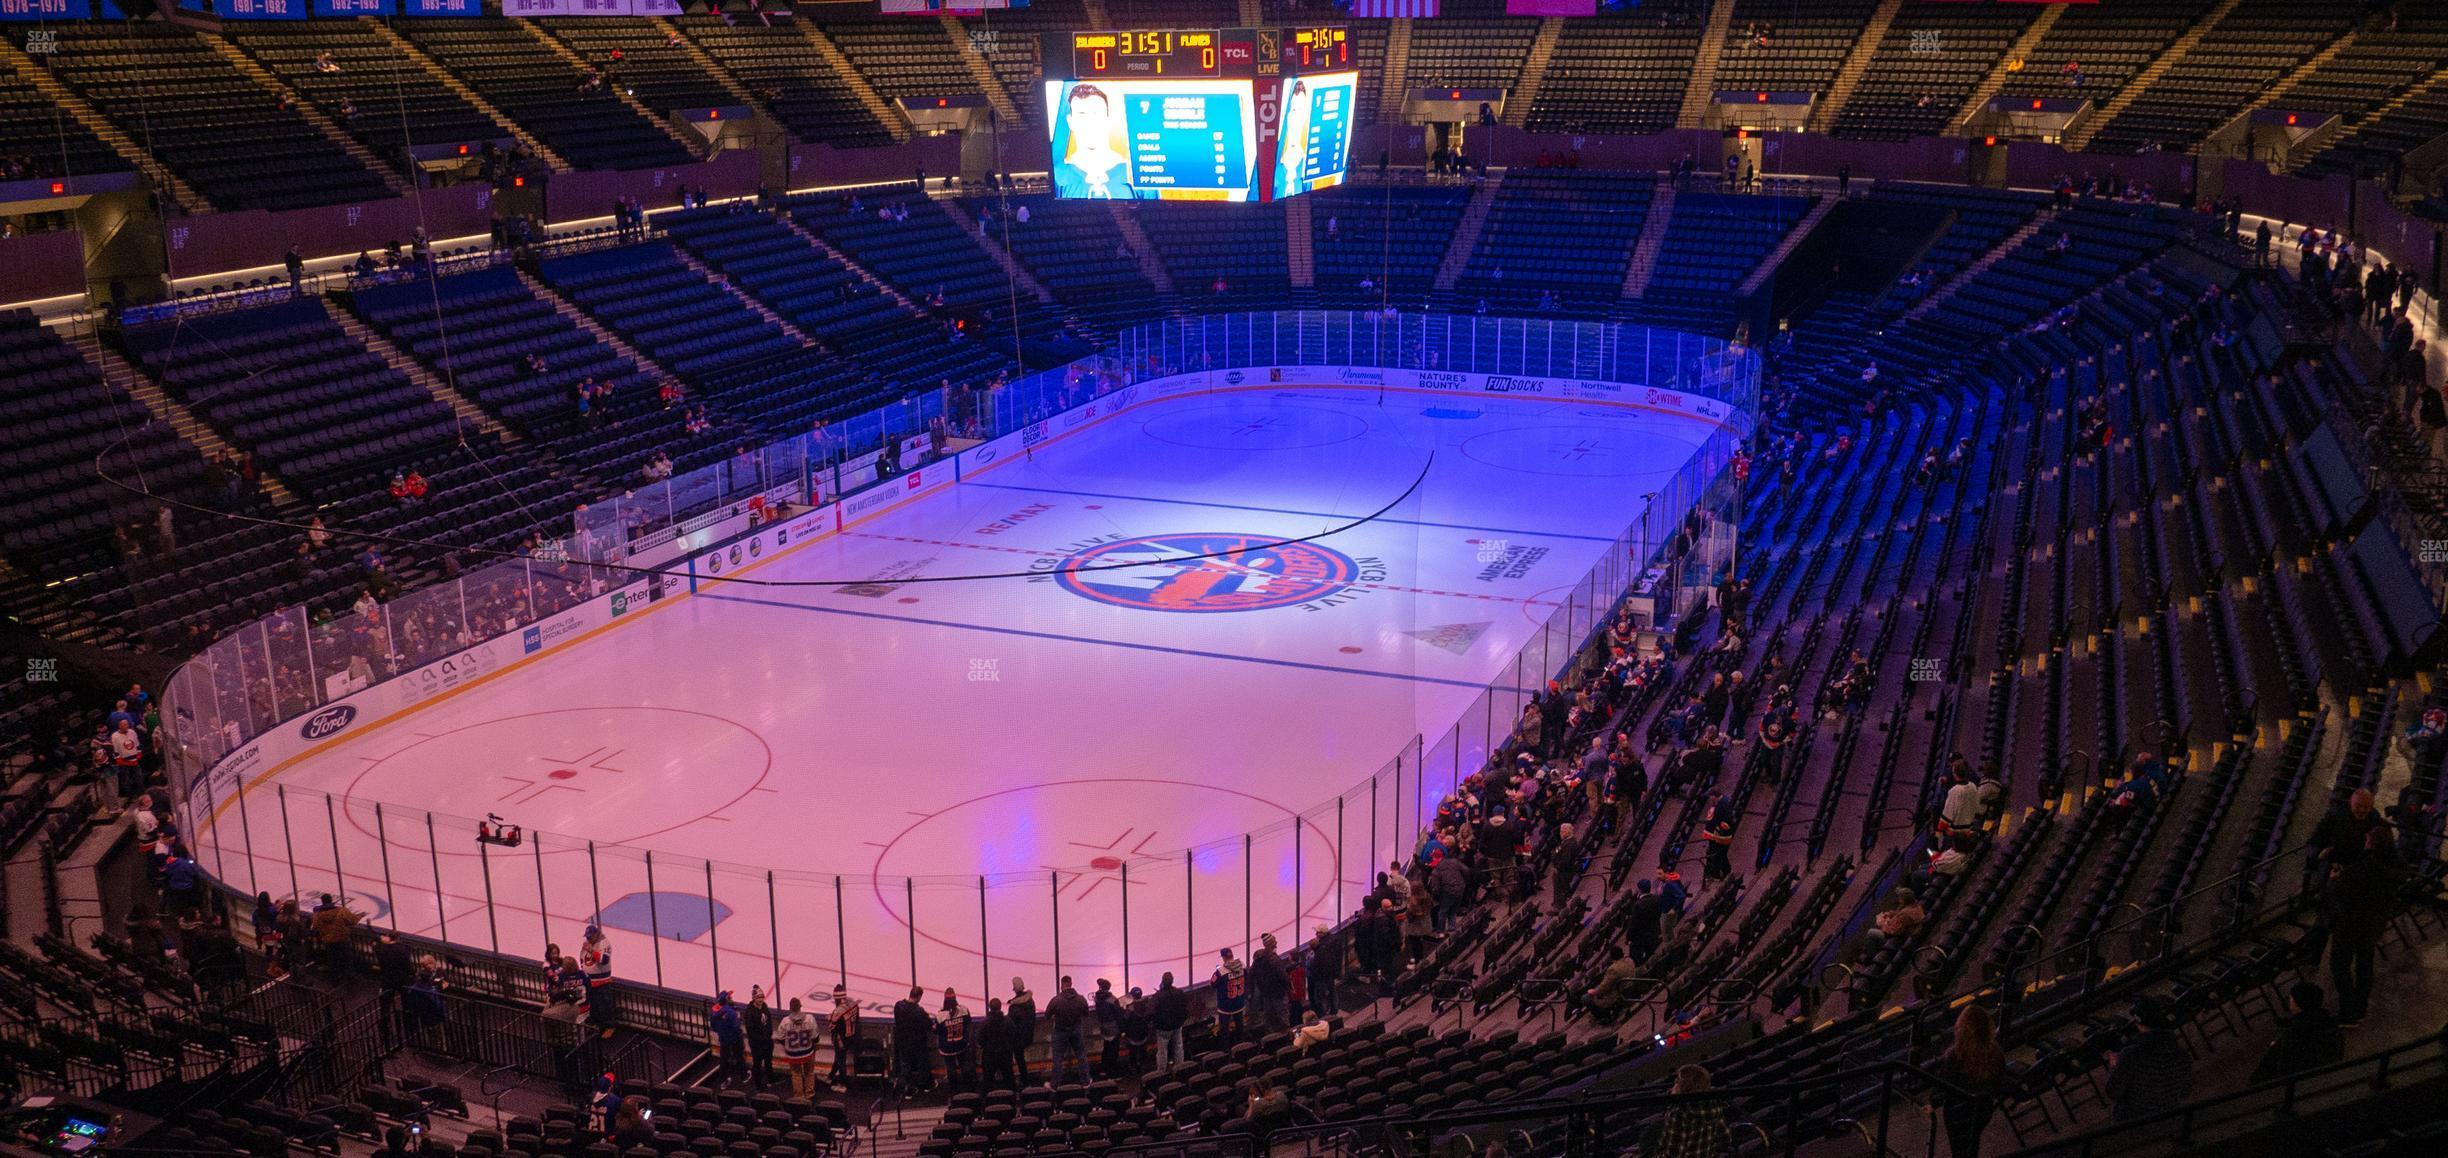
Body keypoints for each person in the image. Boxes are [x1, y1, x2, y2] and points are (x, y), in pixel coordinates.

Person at [2329, 827, 2404, 1026]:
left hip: (2350, 923)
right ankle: (2360, 1009)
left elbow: (2339, 893)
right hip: (2374, 922)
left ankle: (2348, 1011)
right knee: (2365, 965)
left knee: (2339, 966)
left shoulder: (2363, 867)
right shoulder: (2393, 865)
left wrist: (2335, 880)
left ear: (2370, 842)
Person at [1929, 1006, 2004, 1157]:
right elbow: (1999, 1079)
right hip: (1983, 1108)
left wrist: (1933, 1103)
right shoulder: (1995, 1051)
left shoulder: (1954, 1056)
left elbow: (1944, 1086)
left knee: (1960, 1150)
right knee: (1972, 1141)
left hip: (1959, 1113)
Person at [2104, 999, 2192, 1122]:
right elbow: (2185, 1091)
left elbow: (2113, 1092)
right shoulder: (2183, 1055)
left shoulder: (2132, 1054)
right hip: (2170, 1116)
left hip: (2133, 1121)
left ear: (2139, 1023)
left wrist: (2113, 1066)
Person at [2254, 982, 2345, 1082]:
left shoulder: (2294, 1034)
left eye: (2291, 999)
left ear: (2296, 1004)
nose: (2289, 1001)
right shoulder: (2326, 1019)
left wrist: (2276, 1046)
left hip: (2303, 1078)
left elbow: (2283, 1066)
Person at [1051, 84, 1131, 199]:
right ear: (1070, 122)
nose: (1090, 123)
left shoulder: (1133, 175)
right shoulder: (1058, 176)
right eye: (1082, 115)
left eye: (1096, 114)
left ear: (1108, 120)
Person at [1646, 1065, 1731, 1157]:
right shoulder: (1713, 1103)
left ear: (1684, 1087)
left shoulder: (1678, 1112)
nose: (1674, 1083)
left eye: (1677, 1081)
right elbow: (1725, 1138)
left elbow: (1673, 1155)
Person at [1046, 975, 1090, 1085]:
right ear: (1071, 984)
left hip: (1060, 1031)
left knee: (1058, 1058)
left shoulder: (1056, 1001)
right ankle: (1085, 1081)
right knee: (1081, 1055)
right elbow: (1086, 1013)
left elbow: (1047, 1016)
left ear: (1061, 985)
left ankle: (1055, 1084)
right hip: (1076, 1029)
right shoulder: (1081, 999)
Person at [778, 996, 822, 1099]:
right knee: (809, 1072)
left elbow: (780, 1037)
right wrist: (815, 1046)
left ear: (790, 1008)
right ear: (800, 1007)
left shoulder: (785, 1021)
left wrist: (788, 1046)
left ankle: (799, 1096)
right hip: (807, 1052)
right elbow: (815, 1036)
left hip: (793, 1054)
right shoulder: (809, 1019)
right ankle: (809, 1094)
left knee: (796, 1074)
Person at [891, 986, 932, 1092]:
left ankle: (905, 1088)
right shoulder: (919, 1011)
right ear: (919, 996)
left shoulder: (898, 1006)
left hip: (902, 1041)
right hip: (916, 1043)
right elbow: (928, 1025)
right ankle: (923, 1085)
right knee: (922, 1063)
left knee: (905, 1065)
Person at [935, 988, 975, 1089]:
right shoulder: (964, 1010)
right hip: (961, 1044)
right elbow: (968, 1024)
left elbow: (937, 1031)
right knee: (965, 1067)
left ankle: (954, 1091)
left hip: (947, 1047)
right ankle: (968, 1089)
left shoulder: (940, 1015)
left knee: (951, 1069)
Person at [1151, 971, 1189, 1069]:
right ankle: (1180, 1069)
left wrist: (1156, 1024)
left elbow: (1152, 1012)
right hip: (1177, 1025)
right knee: (1179, 1047)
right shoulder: (1179, 993)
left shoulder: (1158, 996)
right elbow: (1185, 1008)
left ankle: (1161, 1072)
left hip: (1163, 1028)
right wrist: (1181, 1021)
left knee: (1162, 1051)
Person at [980, 997, 1019, 1091]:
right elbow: (1014, 1035)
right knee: (1009, 1079)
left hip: (989, 1055)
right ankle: (1011, 1100)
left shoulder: (985, 1023)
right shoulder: (1008, 1021)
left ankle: (988, 1101)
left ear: (990, 1007)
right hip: (1005, 1054)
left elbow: (980, 1040)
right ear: (1000, 1007)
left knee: (988, 1081)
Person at [707, 990, 746, 1086]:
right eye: (730, 998)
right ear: (726, 1000)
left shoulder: (713, 1012)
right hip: (735, 1038)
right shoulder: (731, 1012)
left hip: (723, 1039)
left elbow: (713, 1027)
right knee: (739, 1057)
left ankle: (723, 1081)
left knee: (724, 1060)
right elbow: (736, 1026)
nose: (732, 999)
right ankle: (744, 1076)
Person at [828, 983, 862, 1089]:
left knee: (841, 1060)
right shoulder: (854, 1004)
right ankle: (831, 1075)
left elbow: (832, 1027)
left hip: (841, 1040)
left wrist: (830, 1018)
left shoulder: (837, 1011)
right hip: (852, 1037)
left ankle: (843, 1084)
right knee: (838, 1058)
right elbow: (857, 1019)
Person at [1005, 976, 1037, 1084]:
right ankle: (1025, 1080)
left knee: (1017, 1059)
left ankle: (1016, 1082)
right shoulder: (1031, 1001)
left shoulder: (1014, 1007)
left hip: (1017, 1038)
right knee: (1020, 1059)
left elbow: (1010, 1024)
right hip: (1028, 1035)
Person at [1212, 947, 1249, 1041]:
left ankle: (1226, 1049)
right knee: (1239, 1025)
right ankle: (1241, 1045)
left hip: (1225, 1005)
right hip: (1239, 1002)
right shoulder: (1242, 966)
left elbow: (1213, 983)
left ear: (1224, 958)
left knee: (1224, 1029)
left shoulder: (1221, 972)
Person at [743, 987, 776, 1089]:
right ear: (753, 998)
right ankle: (759, 1085)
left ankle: (771, 1079)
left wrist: (768, 1036)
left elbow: (769, 1022)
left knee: (768, 1061)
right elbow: (751, 1031)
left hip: (767, 1041)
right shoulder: (749, 1012)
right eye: (758, 998)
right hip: (757, 1044)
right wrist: (761, 1040)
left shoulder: (764, 1006)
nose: (761, 999)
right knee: (757, 1064)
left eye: (762, 997)